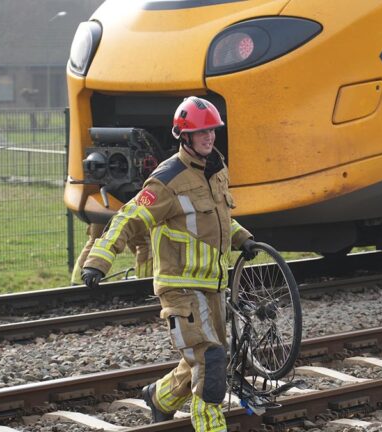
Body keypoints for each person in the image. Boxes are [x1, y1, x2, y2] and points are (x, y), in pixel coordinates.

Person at [82, 96, 256, 431]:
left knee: (205, 356)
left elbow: (216, 219)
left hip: (213, 285)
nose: (209, 136)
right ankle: (210, 426)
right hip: (181, 288)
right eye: (201, 131)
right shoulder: (167, 179)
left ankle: (160, 398)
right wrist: (99, 260)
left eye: (212, 130)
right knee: (210, 361)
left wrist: (242, 238)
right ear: (184, 136)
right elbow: (128, 217)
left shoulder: (215, 169)